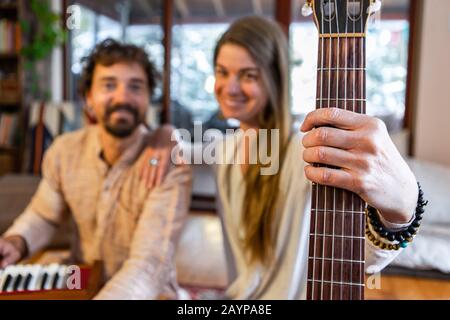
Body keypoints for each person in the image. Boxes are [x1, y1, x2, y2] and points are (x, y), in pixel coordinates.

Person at [143, 16, 419, 299]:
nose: (230, 87)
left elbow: (366, 258)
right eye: (222, 72)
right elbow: (180, 149)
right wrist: (163, 133)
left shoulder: (309, 154)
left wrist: (400, 212)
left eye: (248, 75)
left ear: (274, 79)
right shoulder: (224, 149)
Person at [0, 39, 192, 299]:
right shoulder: (65, 150)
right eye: (109, 85)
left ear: (148, 97)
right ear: (88, 96)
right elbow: (44, 215)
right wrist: (16, 242)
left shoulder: (169, 163)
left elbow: (150, 264)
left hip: (149, 292)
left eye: (135, 87)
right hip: (81, 277)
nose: (123, 97)